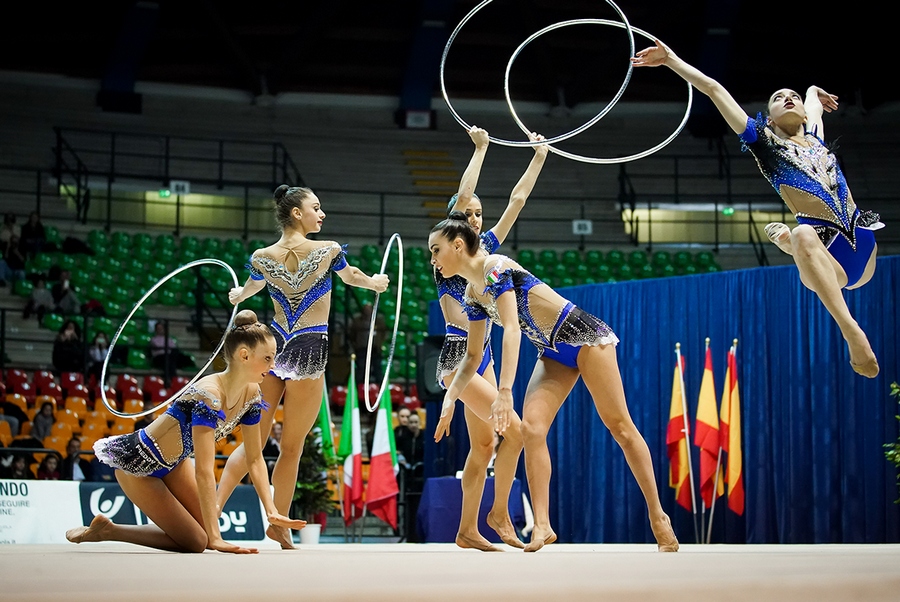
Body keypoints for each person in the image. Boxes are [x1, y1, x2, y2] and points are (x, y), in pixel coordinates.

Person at [631, 40, 881, 378]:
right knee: (803, 233)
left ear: (805, 114)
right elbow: (714, 89)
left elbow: (812, 104)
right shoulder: (763, 144)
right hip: (828, 257)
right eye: (777, 98)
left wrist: (810, 90)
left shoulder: (817, 136)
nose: (787, 98)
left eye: (792, 96)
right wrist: (671, 59)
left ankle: (786, 245)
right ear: (769, 118)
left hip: (864, 248)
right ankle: (851, 331)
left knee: (796, 238)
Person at [430, 214, 679, 553]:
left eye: (436, 250)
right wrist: (450, 399)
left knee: (620, 427)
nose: (433, 259)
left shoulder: (495, 267)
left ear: (458, 246)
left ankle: (658, 516)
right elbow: (472, 357)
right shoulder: (473, 293)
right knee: (531, 429)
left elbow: (513, 330)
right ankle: (543, 525)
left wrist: (505, 393)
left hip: (584, 338)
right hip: (551, 352)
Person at [216, 185, 389, 549]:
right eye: (316, 207)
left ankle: (212, 510)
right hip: (310, 350)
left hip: (273, 349)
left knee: (254, 443)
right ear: (297, 213)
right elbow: (351, 276)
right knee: (291, 448)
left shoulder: (262, 256)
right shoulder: (328, 251)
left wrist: (239, 296)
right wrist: (374, 283)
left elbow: (251, 286)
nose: (321, 214)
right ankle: (278, 525)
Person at [65, 309, 306, 553]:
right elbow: (203, 470)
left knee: (197, 538)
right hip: (140, 465)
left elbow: (254, 458)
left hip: (176, 464)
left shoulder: (253, 393)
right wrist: (215, 538)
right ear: (244, 355)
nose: (274, 365)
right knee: (198, 541)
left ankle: (108, 530)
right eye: (268, 358)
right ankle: (108, 532)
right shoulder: (209, 393)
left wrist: (271, 511)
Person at [429, 125, 547, 551]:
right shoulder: (445, 255)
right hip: (459, 356)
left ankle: (466, 531)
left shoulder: (484, 253)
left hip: (485, 354)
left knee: (483, 446)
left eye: (480, 214)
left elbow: (516, 202)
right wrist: (480, 149)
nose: (476, 218)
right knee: (514, 434)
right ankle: (498, 514)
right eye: (470, 215)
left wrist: (539, 156)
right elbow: (461, 200)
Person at [348, 303, 386, 384]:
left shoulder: (379, 322)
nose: (368, 311)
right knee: (361, 368)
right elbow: (352, 334)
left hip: (375, 348)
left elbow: (383, 333)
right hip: (362, 348)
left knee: (377, 369)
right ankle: (359, 387)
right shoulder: (357, 322)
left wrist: (379, 343)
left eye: (369, 309)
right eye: (366, 310)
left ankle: (379, 388)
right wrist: (356, 344)